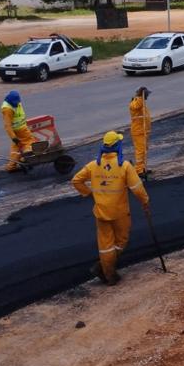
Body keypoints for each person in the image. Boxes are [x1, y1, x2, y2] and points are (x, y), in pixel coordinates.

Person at [71, 131, 150, 286]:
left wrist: (89, 194)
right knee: (121, 240)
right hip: (119, 212)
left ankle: (108, 273)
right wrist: (145, 202)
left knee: (105, 245)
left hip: (101, 211)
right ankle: (105, 270)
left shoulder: (94, 165)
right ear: (117, 146)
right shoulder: (125, 166)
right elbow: (137, 188)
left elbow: (76, 180)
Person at [0, 90, 34, 172]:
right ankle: (24, 159)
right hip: (20, 130)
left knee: (16, 147)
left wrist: (15, 138)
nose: (16, 103)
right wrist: (13, 137)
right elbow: (7, 126)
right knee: (29, 143)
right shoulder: (7, 109)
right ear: (9, 100)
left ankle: (11, 167)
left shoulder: (15, 102)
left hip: (19, 129)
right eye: (14, 102)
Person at [129, 87, 151, 177]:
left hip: (143, 131)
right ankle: (139, 170)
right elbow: (136, 106)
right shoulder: (135, 103)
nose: (147, 96)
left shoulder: (141, 103)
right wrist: (140, 97)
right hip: (138, 132)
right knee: (140, 151)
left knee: (144, 150)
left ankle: (143, 167)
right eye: (146, 94)